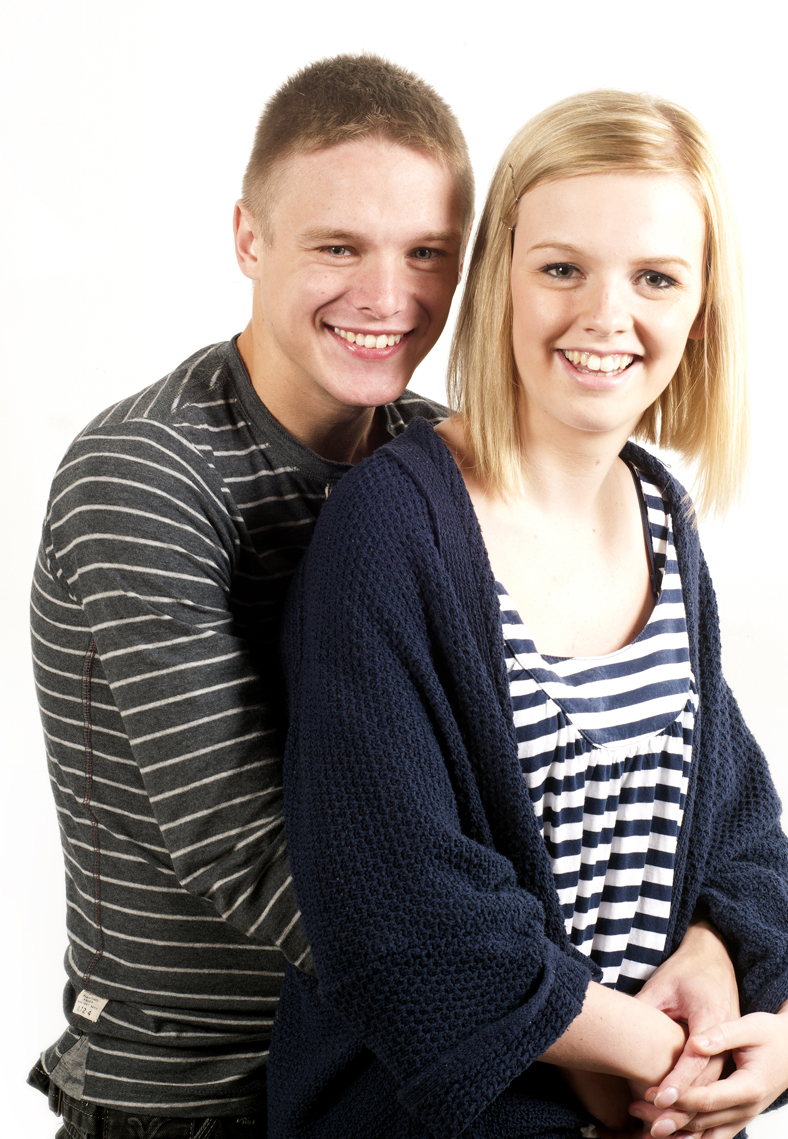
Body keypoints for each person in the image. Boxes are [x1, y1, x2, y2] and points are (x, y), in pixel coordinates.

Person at [272, 90, 788, 1139]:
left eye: (655, 277)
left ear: (700, 307)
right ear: (499, 281)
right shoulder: (390, 530)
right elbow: (392, 910)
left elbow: (736, 830)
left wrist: (782, 1017)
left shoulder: (658, 512)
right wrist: (645, 1052)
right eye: (561, 267)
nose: (604, 316)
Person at [27, 53, 474, 1138]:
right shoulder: (147, 470)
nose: (387, 295)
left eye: (425, 253)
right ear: (248, 238)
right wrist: (542, 1012)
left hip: (397, 1074)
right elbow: (242, 839)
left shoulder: (443, 455)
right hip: (192, 1097)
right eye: (337, 246)